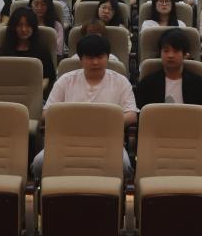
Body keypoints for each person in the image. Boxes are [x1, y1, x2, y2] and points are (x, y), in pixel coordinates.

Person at [31, 34, 138, 178]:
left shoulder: (121, 82)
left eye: (100, 57)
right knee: (39, 163)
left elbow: (131, 115)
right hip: (68, 140)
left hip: (107, 140)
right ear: (81, 59)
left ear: (108, 57)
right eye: (90, 57)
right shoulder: (66, 80)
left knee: (123, 165)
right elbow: (46, 114)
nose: (95, 62)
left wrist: (102, 124)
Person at [134, 28, 202, 109]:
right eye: (166, 51)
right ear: (160, 53)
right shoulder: (147, 84)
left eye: (176, 51)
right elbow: (138, 112)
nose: (170, 55)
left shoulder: (200, 85)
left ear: (185, 55)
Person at [0, 6, 56, 95]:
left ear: (33, 27)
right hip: (8, 94)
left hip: (34, 95)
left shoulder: (42, 50)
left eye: (28, 25)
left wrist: (34, 93)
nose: (23, 29)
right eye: (19, 25)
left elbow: (46, 78)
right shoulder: (3, 51)